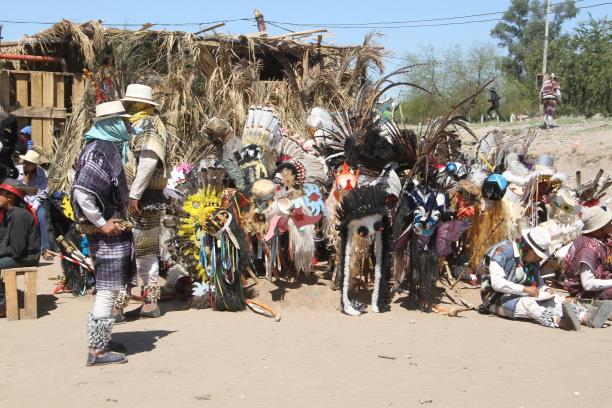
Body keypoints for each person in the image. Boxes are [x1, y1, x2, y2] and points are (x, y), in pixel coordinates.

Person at [72, 100, 136, 365]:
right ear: (112, 124)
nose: (129, 125)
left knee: (109, 288)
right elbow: (83, 190)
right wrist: (101, 222)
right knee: (108, 290)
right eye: (124, 121)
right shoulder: (99, 151)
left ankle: (102, 340)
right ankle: (97, 349)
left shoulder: (105, 148)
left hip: (110, 230)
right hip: (106, 232)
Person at [479, 225, 609, 330]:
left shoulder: (531, 260)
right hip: (494, 298)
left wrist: (546, 290)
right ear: (527, 247)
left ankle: (586, 317)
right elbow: (496, 283)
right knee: (529, 304)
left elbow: (538, 282)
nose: (538, 259)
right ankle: (559, 321)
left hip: (521, 293)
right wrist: (525, 289)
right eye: (536, 255)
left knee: (556, 299)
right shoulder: (501, 252)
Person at [121, 84, 168, 318]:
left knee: (143, 249)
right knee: (136, 249)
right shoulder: (139, 123)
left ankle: (149, 302)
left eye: (131, 102)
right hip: (138, 195)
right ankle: (145, 301)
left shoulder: (149, 125)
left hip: (144, 197)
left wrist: (134, 194)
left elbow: (148, 161)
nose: (128, 105)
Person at [0, 179, 40, 318]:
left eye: (0, 193)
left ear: (10, 197)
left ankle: (2, 304)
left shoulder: (18, 215)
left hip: (26, 258)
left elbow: (17, 250)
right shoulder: (9, 213)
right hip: (17, 255)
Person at [564, 206, 612, 306]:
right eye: (609, 222)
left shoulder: (603, 239)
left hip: (604, 279)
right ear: (600, 228)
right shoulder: (588, 250)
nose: (611, 224)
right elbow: (588, 284)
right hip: (585, 293)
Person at [16, 150, 53, 261]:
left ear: (34, 165)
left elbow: (43, 193)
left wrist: (34, 207)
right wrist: (24, 183)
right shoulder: (16, 171)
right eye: (25, 162)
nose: (25, 164)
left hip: (36, 202)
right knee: (19, 219)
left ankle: (45, 249)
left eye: (29, 163)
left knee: (42, 218)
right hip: (20, 201)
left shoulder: (42, 174)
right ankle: (21, 250)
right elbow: (14, 190)